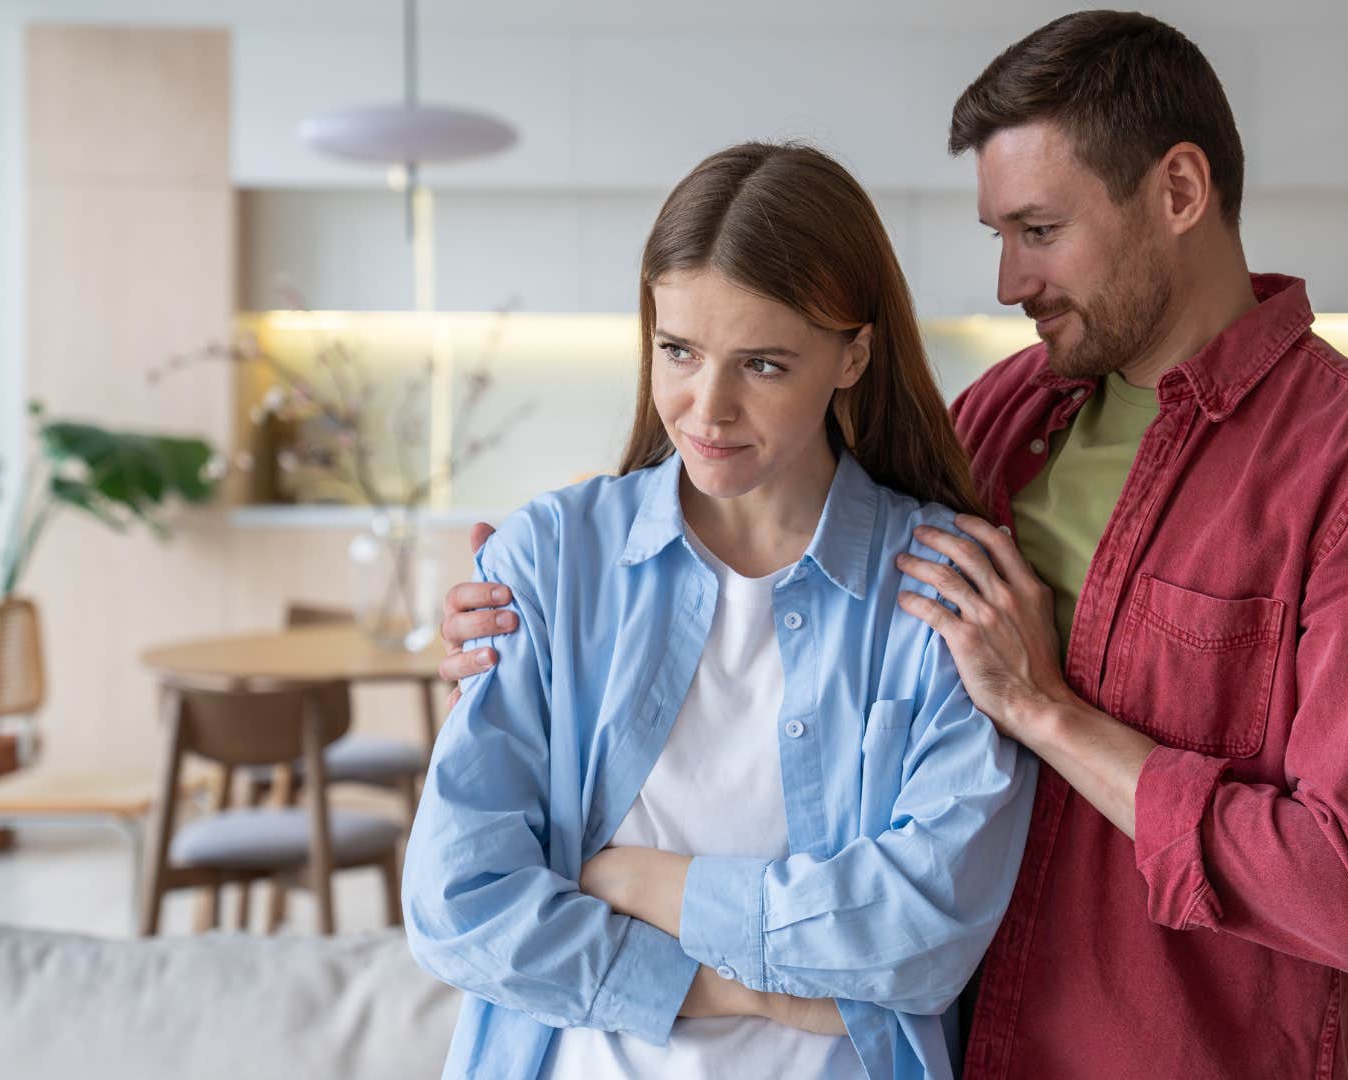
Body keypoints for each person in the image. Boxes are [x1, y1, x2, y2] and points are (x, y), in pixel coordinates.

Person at [439, 11, 1348, 1078]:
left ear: (1180, 191)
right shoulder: (1003, 420)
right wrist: (529, 615)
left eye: (1040, 230)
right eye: (998, 237)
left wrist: (1046, 711)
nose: (1010, 282)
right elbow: (765, 501)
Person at [402, 142, 1035, 1080]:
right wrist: (747, 990)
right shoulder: (549, 559)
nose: (708, 409)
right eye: (679, 352)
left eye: (764, 365)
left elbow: (923, 934)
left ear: (853, 355)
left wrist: (641, 881)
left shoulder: (947, 589)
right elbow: (457, 903)